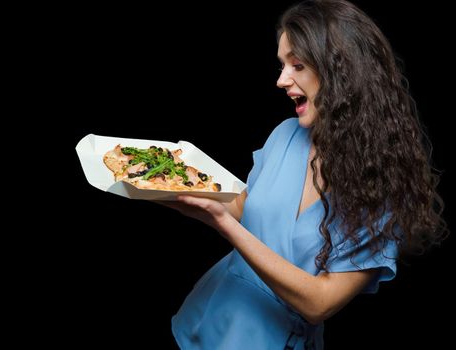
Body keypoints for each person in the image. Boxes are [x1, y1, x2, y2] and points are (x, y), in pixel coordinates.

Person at [160, 0, 448, 349]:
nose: (281, 80)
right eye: (282, 65)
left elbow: (319, 303)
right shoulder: (285, 134)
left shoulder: (382, 189)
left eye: (296, 65)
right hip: (203, 316)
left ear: (341, 71)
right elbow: (252, 211)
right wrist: (187, 182)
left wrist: (221, 221)